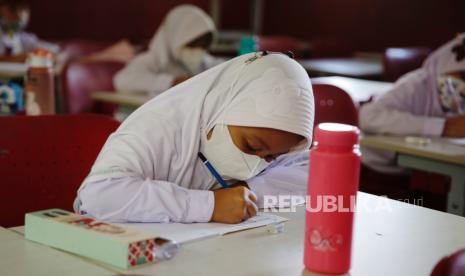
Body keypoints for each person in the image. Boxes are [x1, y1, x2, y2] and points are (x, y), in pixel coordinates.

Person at [74, 51, 314, 224]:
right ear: (222, 107)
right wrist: (208, 205)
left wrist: (248, 189)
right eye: (251, 146)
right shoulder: (157, 129)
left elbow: (313, 173)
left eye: (272, 157)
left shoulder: (270, 137)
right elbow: (98, 196)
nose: (255, 164)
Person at [360, 33, 465, 174]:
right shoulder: (417, 85)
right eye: (463, 76)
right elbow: (368, 117)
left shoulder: (457, 100)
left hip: (425, 169)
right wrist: (444, 127)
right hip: (381, 168)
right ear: (445, 65)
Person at [113, 4, 223, 96]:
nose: (197, 49)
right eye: (192, 43)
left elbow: (223, 68)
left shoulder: (202, 61)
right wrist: (172, 81)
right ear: (176, 37)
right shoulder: (152, 59)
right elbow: (122, 81)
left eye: (203, 44)